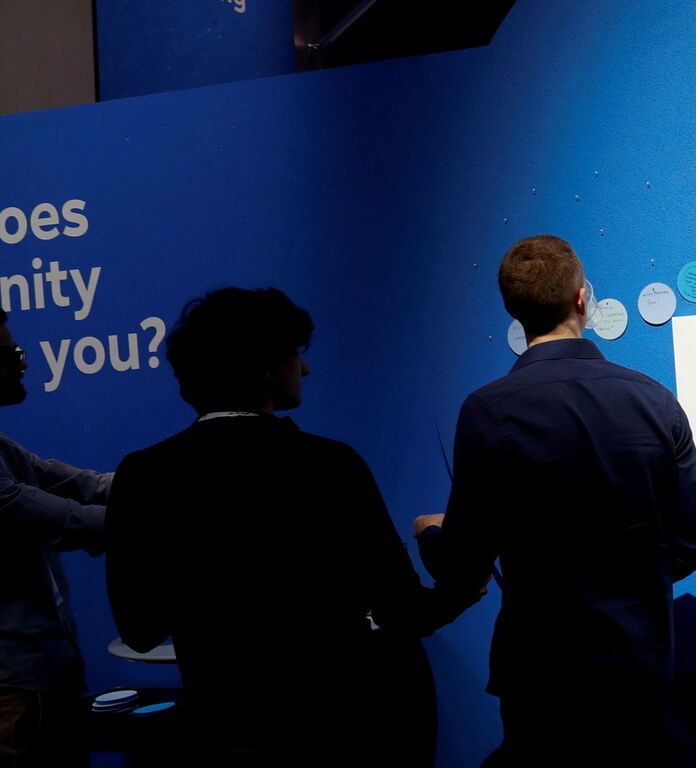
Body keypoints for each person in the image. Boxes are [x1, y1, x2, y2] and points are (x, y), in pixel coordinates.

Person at [106, 288, 469, 765]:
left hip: (221, 732)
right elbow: (403, 611)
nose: (307, 368)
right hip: (339, 731)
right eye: (296, 355)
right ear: (265, 368)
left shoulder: (143, 474)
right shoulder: (331, 466)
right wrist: (461, 572)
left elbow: (139, 629)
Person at [414, 234, 696, 765]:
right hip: (639, 669)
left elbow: (463, 568)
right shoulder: (655, 402)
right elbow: (695, 543)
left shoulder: (488, 411)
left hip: (540, 676)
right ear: (582, 298)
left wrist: (431, 532)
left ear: (514, 313)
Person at [0, 308, 111, 767]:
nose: (23, 363)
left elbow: (84, 484)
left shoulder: (5, 450)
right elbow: (69, 519)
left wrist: (177, 473)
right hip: (14, 697)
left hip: (40, 683)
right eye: (12, 354)